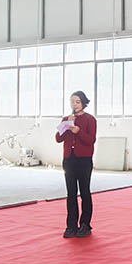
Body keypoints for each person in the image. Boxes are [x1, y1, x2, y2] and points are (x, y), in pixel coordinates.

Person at [55, 91, 97, 238]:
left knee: (84, 191)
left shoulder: (90, 119)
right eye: (72, 102)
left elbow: (91, 140)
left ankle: (85, 224)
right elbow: (58, 138)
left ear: (84, 103)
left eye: (77, 102)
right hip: (69, 159)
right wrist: (65, 126)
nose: (74, 104)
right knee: (71, 193)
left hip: (84, 159)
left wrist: (78, 131)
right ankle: (71, 226)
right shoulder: (66, 119)